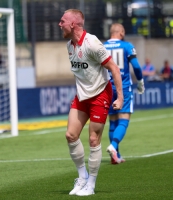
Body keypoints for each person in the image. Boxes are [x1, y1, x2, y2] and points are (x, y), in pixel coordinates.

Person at [58, 9, 125, 196]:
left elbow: (114, 69)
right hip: (82, 95)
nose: (59, 24)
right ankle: (82, 177)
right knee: (71, 135)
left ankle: (91, 185)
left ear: (73, 24)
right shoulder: (69, 46)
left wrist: (120, 97)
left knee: (93, 139)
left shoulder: (93, 43)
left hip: (100, 94)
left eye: (62, 21)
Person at [104, 23, 145, 165]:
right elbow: (137, 67)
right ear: (121, 32)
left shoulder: (102, 47)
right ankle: (114, 146)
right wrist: (140, 81)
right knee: (123, 120)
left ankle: (116, 156)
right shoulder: (127, 46)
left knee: (112, 121)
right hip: (124, 87)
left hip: (107, 87)